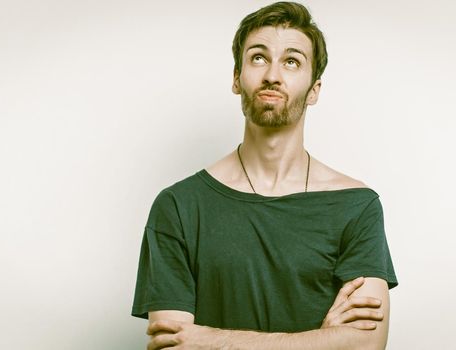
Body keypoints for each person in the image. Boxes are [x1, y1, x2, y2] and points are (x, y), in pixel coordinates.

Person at [132, 2, 398, 349]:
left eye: (291, 61)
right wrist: (322, 339)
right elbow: (174, 346)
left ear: (314, 89)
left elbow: (366, 345)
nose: (273, 74)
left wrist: (212, 340)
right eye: (258, 57)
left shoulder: (355, 206)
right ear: (236, 79)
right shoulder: (179, 206)